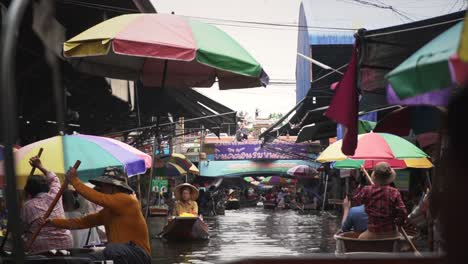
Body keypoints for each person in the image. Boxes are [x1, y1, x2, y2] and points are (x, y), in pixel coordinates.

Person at [42, 167, 151, 264]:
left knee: (111, 249)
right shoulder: (107, 212)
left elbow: (99, 198)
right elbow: (81, 222)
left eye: (104, 186)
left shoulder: (128, 200)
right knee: (87, 259)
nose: (101, 189)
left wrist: (74, 180)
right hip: (119, 253)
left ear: (114, 187)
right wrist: (52, 222)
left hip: (138, 253)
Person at [21, 156, 72, 253]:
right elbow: (54, 179)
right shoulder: (55, 194)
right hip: (66, 242)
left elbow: (23, 228)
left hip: (40, 247)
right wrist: (40, 166)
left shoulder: (27, 206)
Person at [353, 162, 407, 239]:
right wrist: (399, 222)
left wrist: (361, 182)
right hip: (391, 232)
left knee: (360, 238)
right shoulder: (394, 192)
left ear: (374, 176)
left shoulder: (367, 190)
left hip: (372, 232)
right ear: (389, 178)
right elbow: (403, 212)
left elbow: (356, 199)